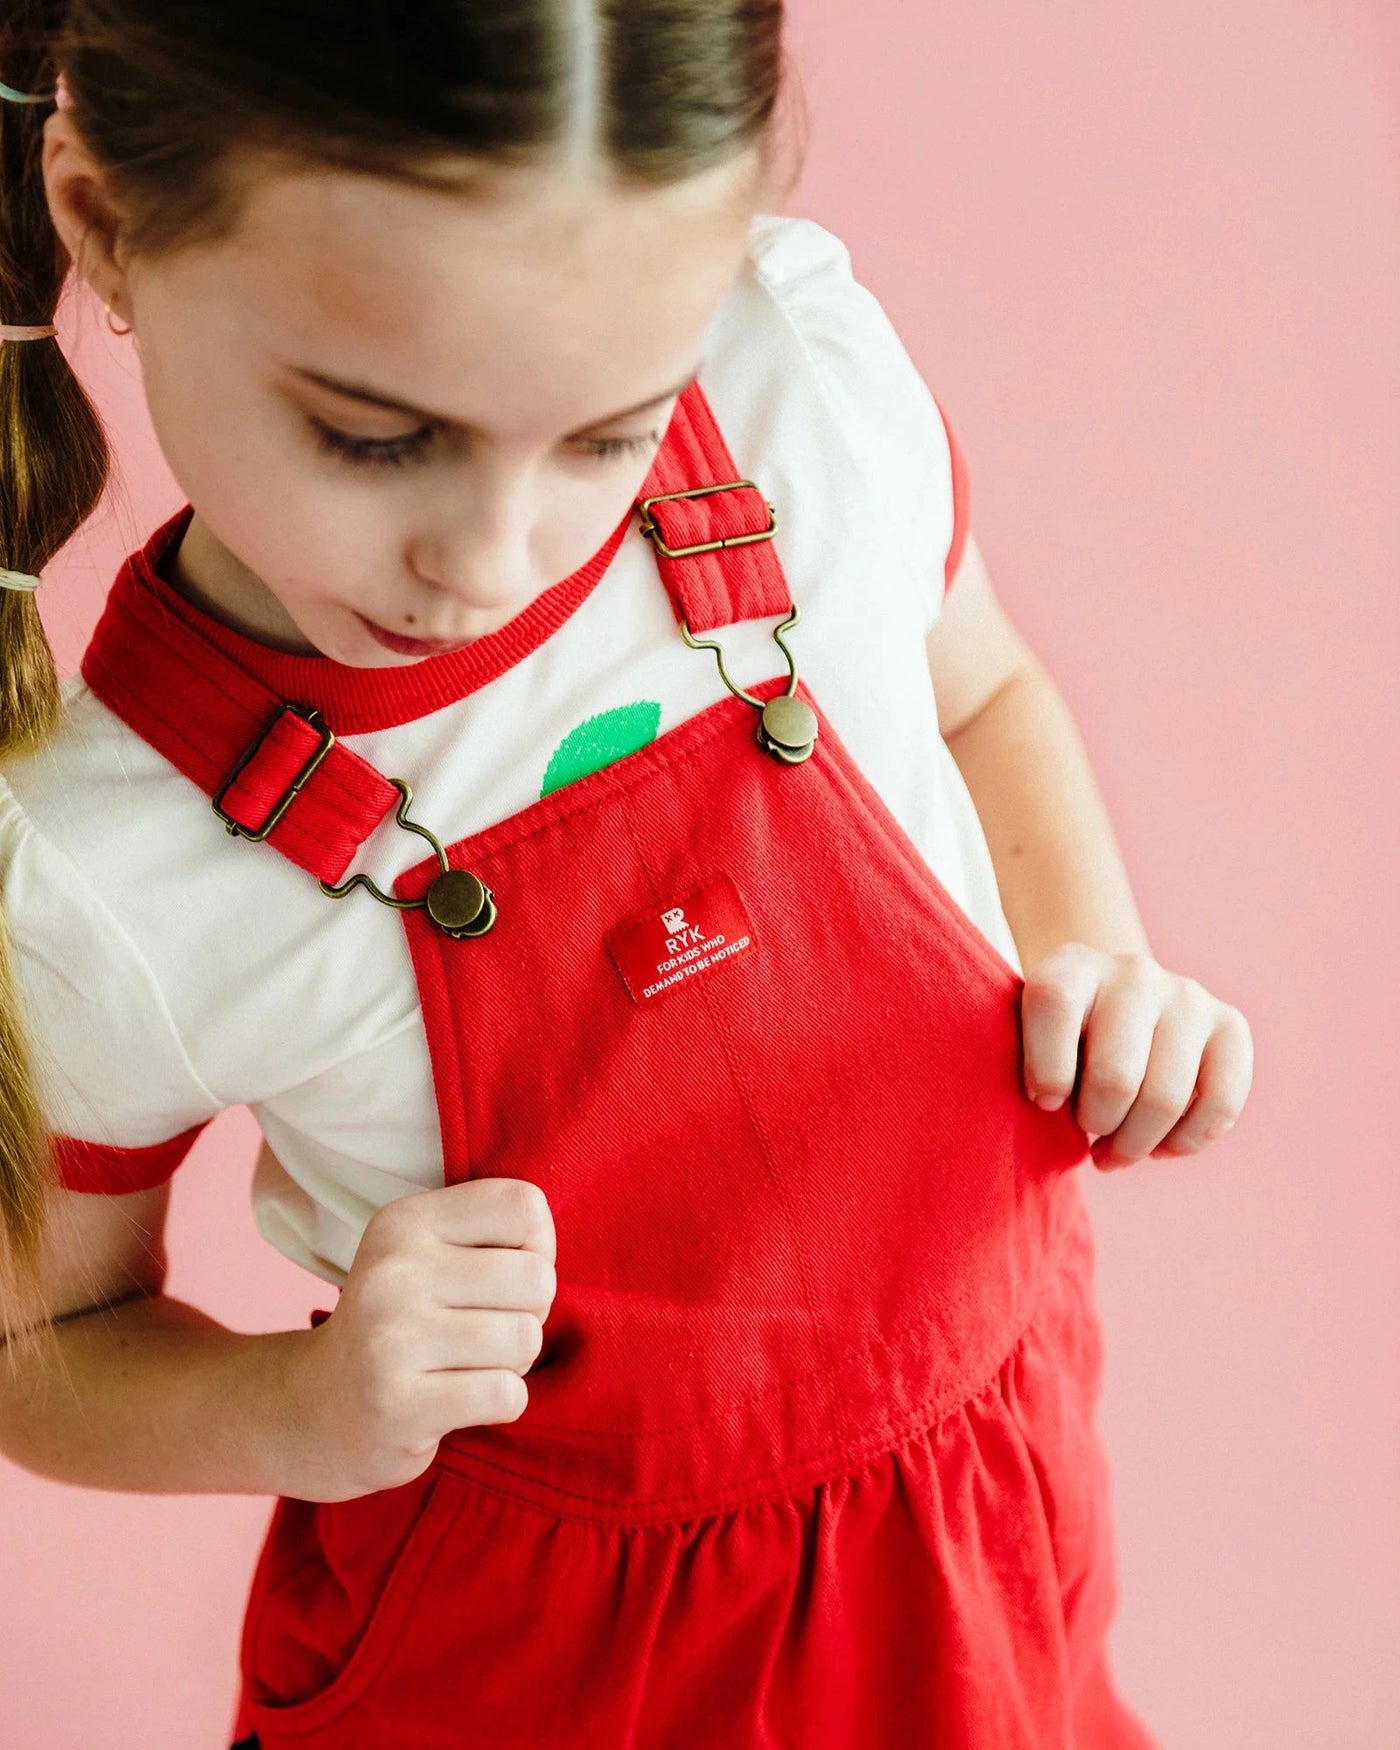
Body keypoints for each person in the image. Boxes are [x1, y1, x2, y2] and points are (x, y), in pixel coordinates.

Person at [0, 5, 1253, 1747]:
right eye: (377, 436)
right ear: (104, 216)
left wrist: (1095, 962)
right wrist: (301, 1402)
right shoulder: (97, 875)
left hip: (984, 1529)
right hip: (549, 1677)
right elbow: (39, 1346)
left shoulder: (800, 392)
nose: (491, 560)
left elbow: (980, 689)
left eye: (605, 431)